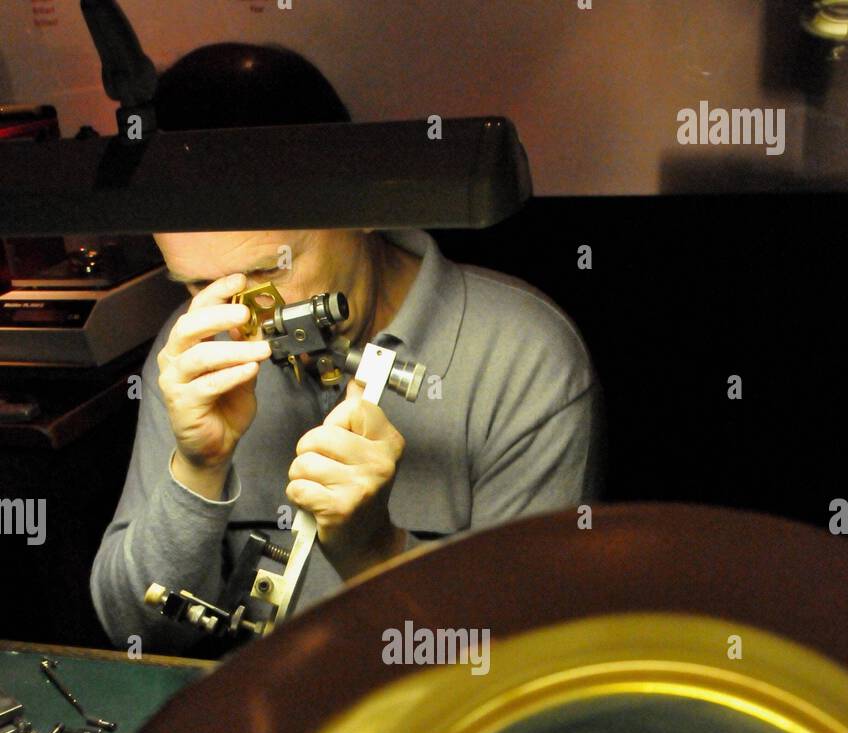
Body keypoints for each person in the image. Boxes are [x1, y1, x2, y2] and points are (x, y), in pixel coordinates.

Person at [91, 44, 605, 653]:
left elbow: (528, 658)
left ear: (364, 207)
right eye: (201, 285)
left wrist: (376, 551)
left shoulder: (526, 361)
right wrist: (197, 471)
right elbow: (134, 631)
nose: (245, 321)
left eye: (271, 270)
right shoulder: (195, 348)